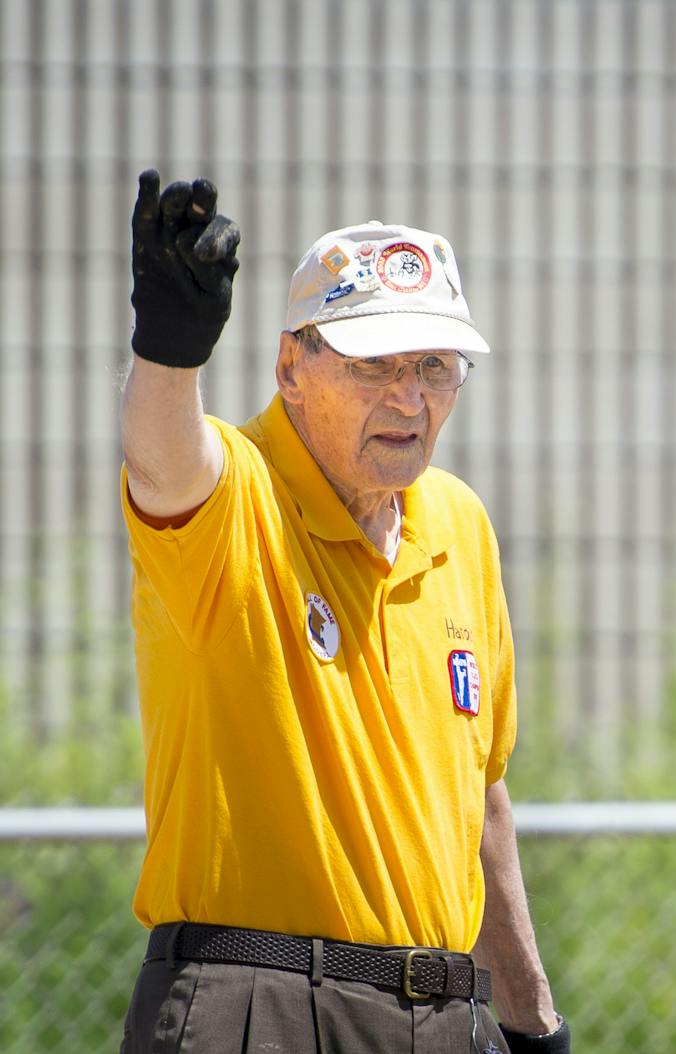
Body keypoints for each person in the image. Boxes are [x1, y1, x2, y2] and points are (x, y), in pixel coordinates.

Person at [118, 170, 569, 1054]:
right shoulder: (241, 491)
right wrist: (169, 353)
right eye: (373, 366)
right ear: (293, 366)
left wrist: (534, 1020)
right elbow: (164, 461)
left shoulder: (459, 525)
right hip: (256, 1005)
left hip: (444, 1011)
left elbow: (479, 800)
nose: (409, 399)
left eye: (435, 367)